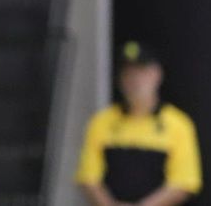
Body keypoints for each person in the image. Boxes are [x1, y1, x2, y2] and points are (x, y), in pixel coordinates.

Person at [76, 41, 202, 206]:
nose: (135, 81)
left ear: (157, 74)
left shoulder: (177, 124)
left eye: (141, 72)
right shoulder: (102, 122)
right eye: (128, 74)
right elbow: (89, 177)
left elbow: (184, 182)